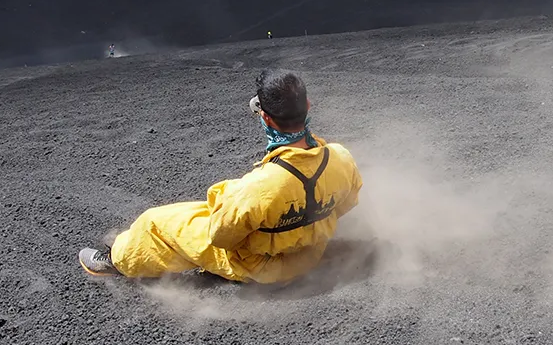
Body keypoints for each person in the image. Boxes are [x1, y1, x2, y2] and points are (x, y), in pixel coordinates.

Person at [78, 68, 364, 283]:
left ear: (265, 117)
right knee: (220, 210)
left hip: (265, 267)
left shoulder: (259, 186)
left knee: (157, 222)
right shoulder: (340, 157)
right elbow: (347, 204)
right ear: (308, 106)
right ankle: (128, 243)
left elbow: (221, 237)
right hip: (309, 253)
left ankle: (117, 259)